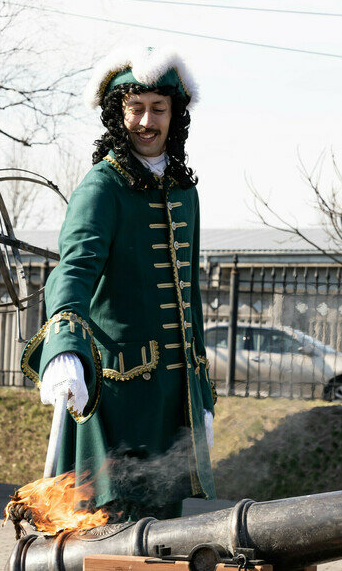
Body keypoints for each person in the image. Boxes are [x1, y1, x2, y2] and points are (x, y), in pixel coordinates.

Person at [21, 46, 216, 520]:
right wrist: (63, 345)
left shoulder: (184, 192)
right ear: (118, 114)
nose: (147, 121)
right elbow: (73, 269)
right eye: (136, 108)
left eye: (158, 108)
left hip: (173, 403)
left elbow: (188, 299)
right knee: (109, 528)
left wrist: (201, 396)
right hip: (118, 397)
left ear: (175, 115)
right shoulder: (101, 186)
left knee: (165, 536)